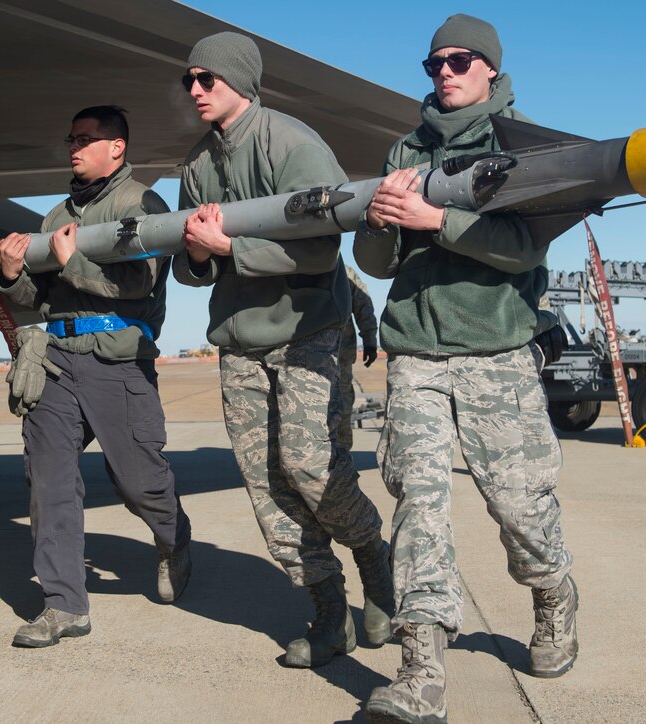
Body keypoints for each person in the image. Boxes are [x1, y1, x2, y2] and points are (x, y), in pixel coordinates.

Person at [353, 15, 578, 722]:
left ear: (489, 68)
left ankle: (552, 594)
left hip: (497, 352)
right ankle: (420, 669)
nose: (444, 73)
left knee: (519, 507)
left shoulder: (523, 145)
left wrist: (434, 220)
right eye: (433, 65)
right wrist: (383, 226)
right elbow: (376, 265)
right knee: (418, 503)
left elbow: (522, 249)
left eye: (458, 61)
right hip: (416, 350)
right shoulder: (404, 149)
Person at [172, 32, 393, 668]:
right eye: (190, 79)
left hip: (309, 333)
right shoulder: (196, 164)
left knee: (313, 468)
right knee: (266, 484)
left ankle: (376, 569)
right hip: (240, 344)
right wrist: (195, 254)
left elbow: (322, 245)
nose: (194, 90)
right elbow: (192, 271)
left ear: (238, 78)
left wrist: (229, 249)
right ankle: (328, 611)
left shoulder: (291, 144)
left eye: (205, 78)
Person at [0, 105, 192, 649]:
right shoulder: (56, 214)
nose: (75, 147)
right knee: (48, 481)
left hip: (117, 361)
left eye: (87, 139)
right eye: (72, 138)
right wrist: (11, 276)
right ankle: (64, 605)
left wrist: (74, 259)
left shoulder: (142, 203)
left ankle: (174, 537)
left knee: (138, 482)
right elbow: (37, 297)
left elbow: (141, 280)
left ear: (117, 147)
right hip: (57, 359)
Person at [337, 265, 380, 453]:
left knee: (342, 407)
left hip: (339, 356)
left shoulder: (344, 272)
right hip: (300, 357)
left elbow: (363, 305)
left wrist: (370, 341)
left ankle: (341, 458)